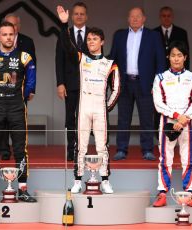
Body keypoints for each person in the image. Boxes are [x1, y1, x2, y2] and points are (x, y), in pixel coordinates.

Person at [57, 5, 120, 194]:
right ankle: (78, 179)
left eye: (95, 39)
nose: (91, 41)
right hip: (83, 107)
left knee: (102, 145)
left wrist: (106, 108)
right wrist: (63, 24)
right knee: (80, 145)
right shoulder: (81, 58)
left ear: (102, 41)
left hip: (100, 108)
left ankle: (105, 179)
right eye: (89, 39)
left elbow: (116, 90)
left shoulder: (110, 64)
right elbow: (66, 45)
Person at [0, 21, 36, 203]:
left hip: (17, 105)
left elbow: (31, 83)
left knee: (20, 149)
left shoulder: (25, 57)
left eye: (11, 34)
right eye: (4, 34)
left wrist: (18, 96)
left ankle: (23, 190)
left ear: (15, 35)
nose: (8, 37)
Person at [110, 7, 166, 161]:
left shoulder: (153, 36)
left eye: (138, 16)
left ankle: (147, 149)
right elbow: (112, 59)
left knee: (147, 118)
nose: (135, 19)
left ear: (144, 19)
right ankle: (121, 149)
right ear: (128, 19)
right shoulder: (119, 36)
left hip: (145, 83)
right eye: (132, 16)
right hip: (125, 82)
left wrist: (157, 85)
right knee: (123, 118)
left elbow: (161, 62)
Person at [152, 41, 192, 207]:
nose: (176, 59)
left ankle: (189, 193)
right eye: (173, 55)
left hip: (187, 122)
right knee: (165, 157)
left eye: (179, 55)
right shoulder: (160, 78)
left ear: (185, 57)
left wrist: (184, 118)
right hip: (168, 121)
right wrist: (175, 116)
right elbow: (158, 102)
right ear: (168, 57)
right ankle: (162, 192)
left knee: (188, 158)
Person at [0, 13, 36, 161]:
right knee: (0, 124)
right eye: (8, 24)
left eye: (14, 25)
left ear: (18, 27)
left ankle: (19, 151)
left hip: (20, 90)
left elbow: (33, 66)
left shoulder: (27, 41)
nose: (12, 28)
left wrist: (31, 88)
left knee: (19, 123)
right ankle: (4, 149)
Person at [55, 2, 89, 161]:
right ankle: (71, 150)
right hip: (70, 84)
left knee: (86, 118)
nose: (79, 16)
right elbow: (59, 60)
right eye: (76, 13)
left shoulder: (93, 33)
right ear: (72, 16)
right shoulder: (65, 33)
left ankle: (84, 149)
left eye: (82, 13)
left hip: (89, 83)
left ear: (86, 16)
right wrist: (60, 83)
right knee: (71, 118)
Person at [153, 6, 190, 141]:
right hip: (161, 78)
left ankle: (180, 137)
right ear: (160, 17)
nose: (166, 18)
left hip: (179, 78)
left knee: (180, 105)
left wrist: (186, 78)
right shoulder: (154, 33)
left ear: (172, 17)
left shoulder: (181, 32)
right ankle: (161, 138)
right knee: (160, 108)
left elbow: (187, 57)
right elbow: (151, 59)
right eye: (163, 15)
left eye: (169, 15)